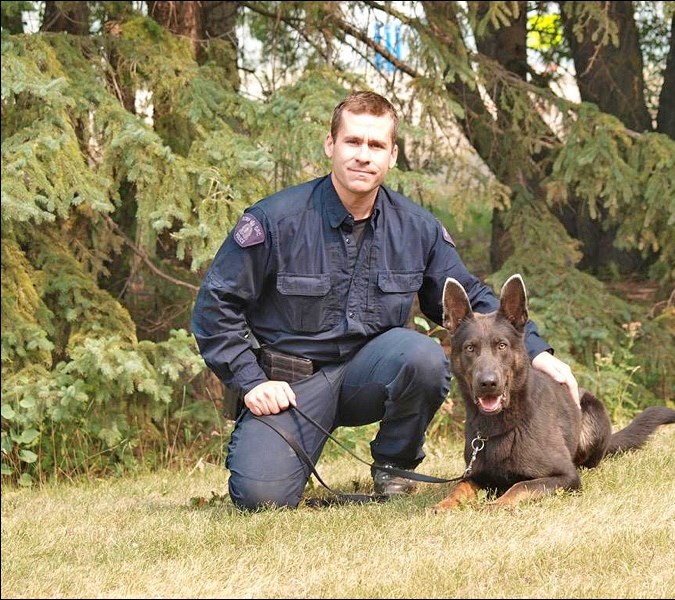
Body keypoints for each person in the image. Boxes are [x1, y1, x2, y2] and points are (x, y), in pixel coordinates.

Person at [191, 91, 580, 510]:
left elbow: (477, 302)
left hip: (370, 376)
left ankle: (393, 466)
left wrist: (538, 352)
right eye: (353, 142)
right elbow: (215, 310)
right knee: (260, 499)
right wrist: (253, 381)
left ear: (392, 156)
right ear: (330, 145)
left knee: (423, 357)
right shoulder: (275, 221)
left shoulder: (416, 228)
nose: (363, 155)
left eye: (376, 145)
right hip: (290, 386)